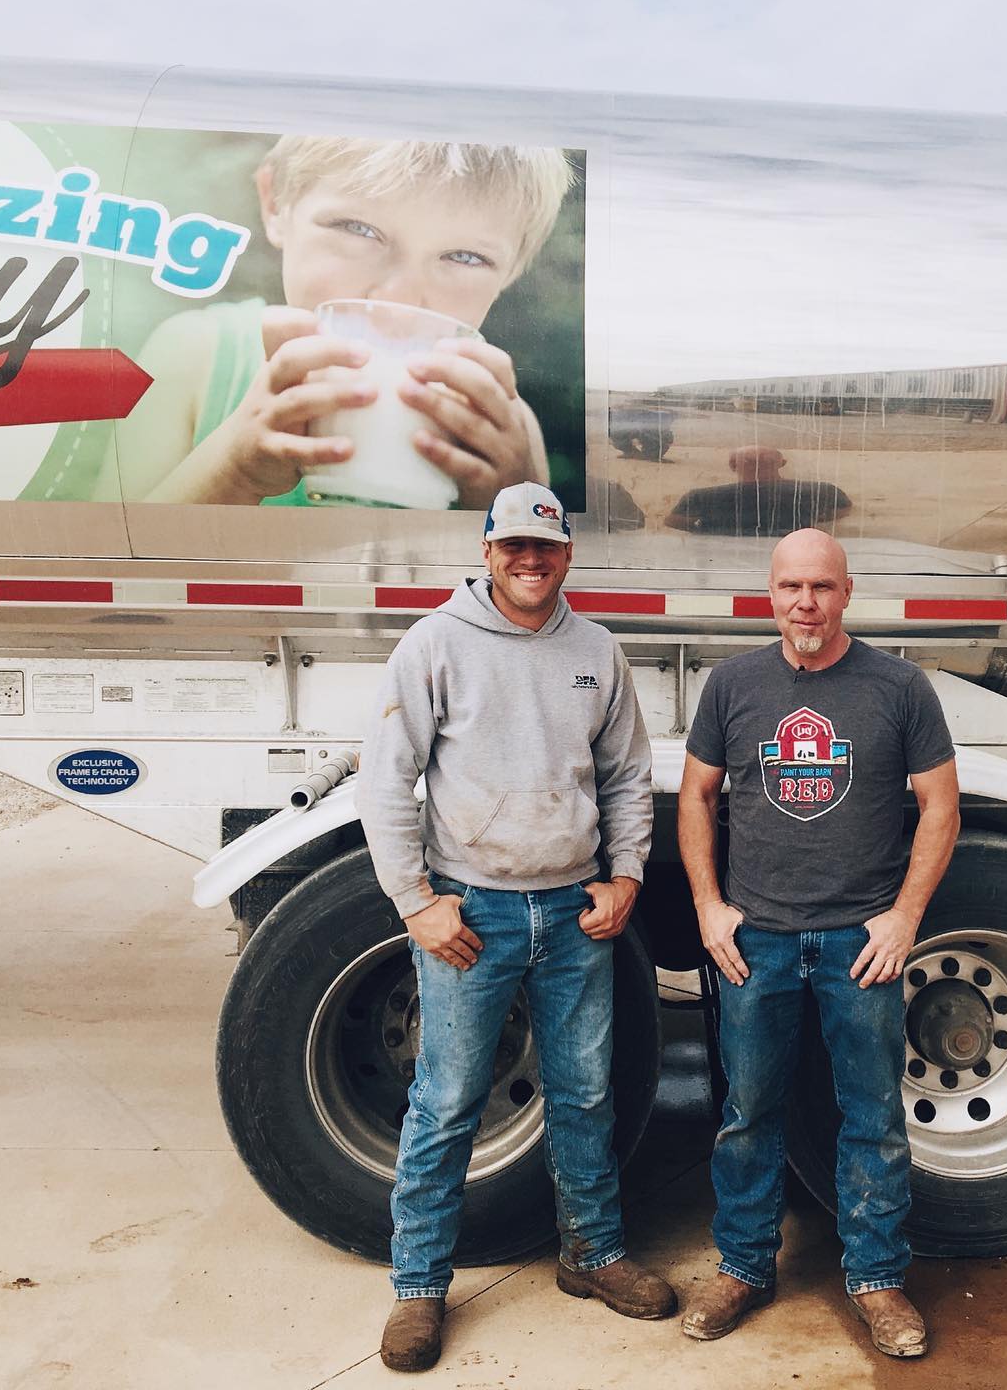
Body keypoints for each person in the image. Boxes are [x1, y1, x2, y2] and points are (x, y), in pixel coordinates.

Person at [356, 482, 677, 1373]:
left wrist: (625, 875)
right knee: (448, 1101)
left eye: (546, 548)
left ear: (567, 554)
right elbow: (386, 779)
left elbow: (624, 776)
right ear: (487, 553)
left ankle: (593, 1254)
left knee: (582, 1093)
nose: (530, 563)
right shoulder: (435, 645)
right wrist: (417, 902)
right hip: (474, 913)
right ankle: (419, 1288)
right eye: (513, 548)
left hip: (577, 913)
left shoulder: (595, 651)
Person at [675, 528, 959, 1359]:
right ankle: (742, 1266)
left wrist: (903, 918)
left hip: (856, 944)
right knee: (747, 1112)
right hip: (755, 942)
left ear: (847, 593)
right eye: (792, 587)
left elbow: (941, 809)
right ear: (770, 594)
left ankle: (877, 1279)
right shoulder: (731, 687)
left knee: (870, 1117)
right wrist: (708, 906)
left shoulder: (900, 687)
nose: (807, 603)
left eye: (823, 588)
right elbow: (696, 797)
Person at [108, 135, 573, 506]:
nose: (397, 297)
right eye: (358, 229)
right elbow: (105, 565)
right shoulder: (197, 356)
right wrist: (235, 470)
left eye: (465, 256)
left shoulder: (497, 424)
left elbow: (517, 603)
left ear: (511, 272)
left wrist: (506, 503)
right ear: (276, 206)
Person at [664, 445, 852, 536]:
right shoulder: (819, 491)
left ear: (732, 466)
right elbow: (843, 508)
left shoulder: (701, 497)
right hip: (794, 557)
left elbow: (674, 520)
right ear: (782, 463)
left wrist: (708, 530)